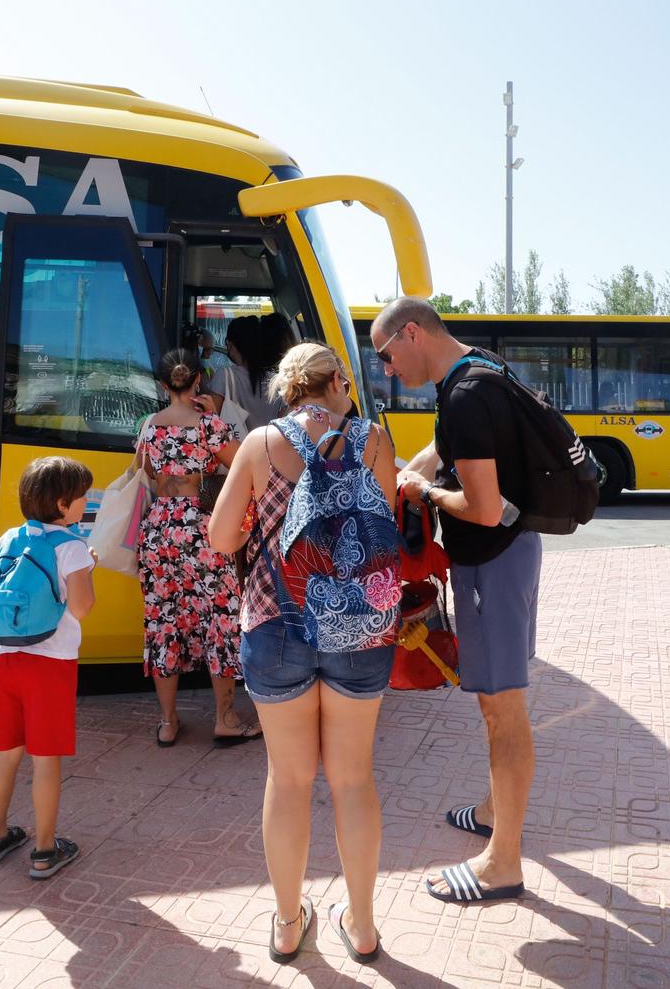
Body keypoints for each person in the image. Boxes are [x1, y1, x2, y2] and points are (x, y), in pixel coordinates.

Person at [208, 342, 397, 963]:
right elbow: (385, 525)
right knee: (353, 778)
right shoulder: (373, 441)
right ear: (338, 382)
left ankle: (289, 924)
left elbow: (218, 536)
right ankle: (363, 928)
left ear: (288, 389)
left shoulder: (262, 444)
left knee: (288, 780)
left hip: (276, 624)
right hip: (361, 627)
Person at [370, 296, 538, 905]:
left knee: (502, 707)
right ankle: (497, 812)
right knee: (498, 699)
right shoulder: (480, 370)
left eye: (387, 355)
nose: (387, 369)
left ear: (411, 333)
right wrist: (398, 483)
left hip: (492, 559)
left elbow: (484, 508)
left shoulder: (465, 395)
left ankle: (503, 864)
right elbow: (436, 456)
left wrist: (428, 496)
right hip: (509, 556)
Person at [0, 455, 96, 879]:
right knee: (46, 759)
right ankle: (45, 850)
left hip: (5, 660)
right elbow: (81, 608)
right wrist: (84, 567)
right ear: (63, 504)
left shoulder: (9, 537)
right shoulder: (72, 546)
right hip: (51, 664)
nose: (86, 503)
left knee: (5, 754)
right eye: (82, 497)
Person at [135, 348, 261, 747]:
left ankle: (169, 722)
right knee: (220, 618)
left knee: (163, 620)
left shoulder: (149, 427)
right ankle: (225, 717)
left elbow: (147, 472)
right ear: (196, 382)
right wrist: (217, 418)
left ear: (162, 384)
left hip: (158, 530)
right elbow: (247, 466)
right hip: (200, 530)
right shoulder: (209, 426)